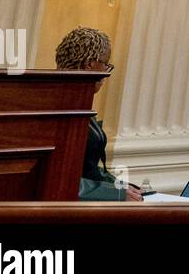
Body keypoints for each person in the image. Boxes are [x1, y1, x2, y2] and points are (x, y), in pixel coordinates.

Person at [54, 27, 142, 202]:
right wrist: (113, 193)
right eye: (106, 64)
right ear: (90, 64)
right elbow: (57, 178)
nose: (107, 72)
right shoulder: (58, 107)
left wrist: (116, 185)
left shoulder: (79, 104)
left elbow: (88, 168)